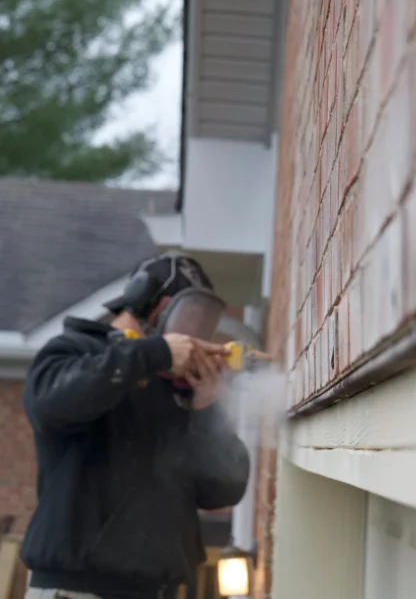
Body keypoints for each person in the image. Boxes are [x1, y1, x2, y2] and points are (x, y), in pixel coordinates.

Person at [21, 252, 251, 599]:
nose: (194, 332)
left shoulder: (179, 390)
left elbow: (222, 490)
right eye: (190, 314)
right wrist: (154, 354)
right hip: (77, 590)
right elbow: (52, 403)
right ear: (150, 303)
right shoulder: (75, 351)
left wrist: (207, 409)